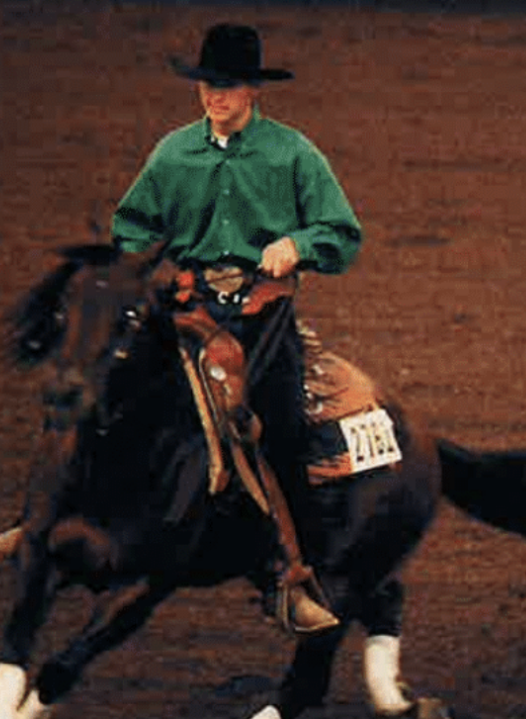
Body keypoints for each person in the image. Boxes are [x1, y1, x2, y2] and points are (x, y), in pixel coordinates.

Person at [111, 23, 363, 635]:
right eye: (206, 85)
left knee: (274, 426)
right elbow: (130, 227)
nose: (213, 97)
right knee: (105, 379)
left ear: (253, 90)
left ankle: (292, 571)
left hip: (262, 313)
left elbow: (343, 236)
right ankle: (55, 516)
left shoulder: (294, 154)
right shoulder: (173, 154)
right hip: (192, 303)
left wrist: (297, 244)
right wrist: (156, 261)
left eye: (225, 86)